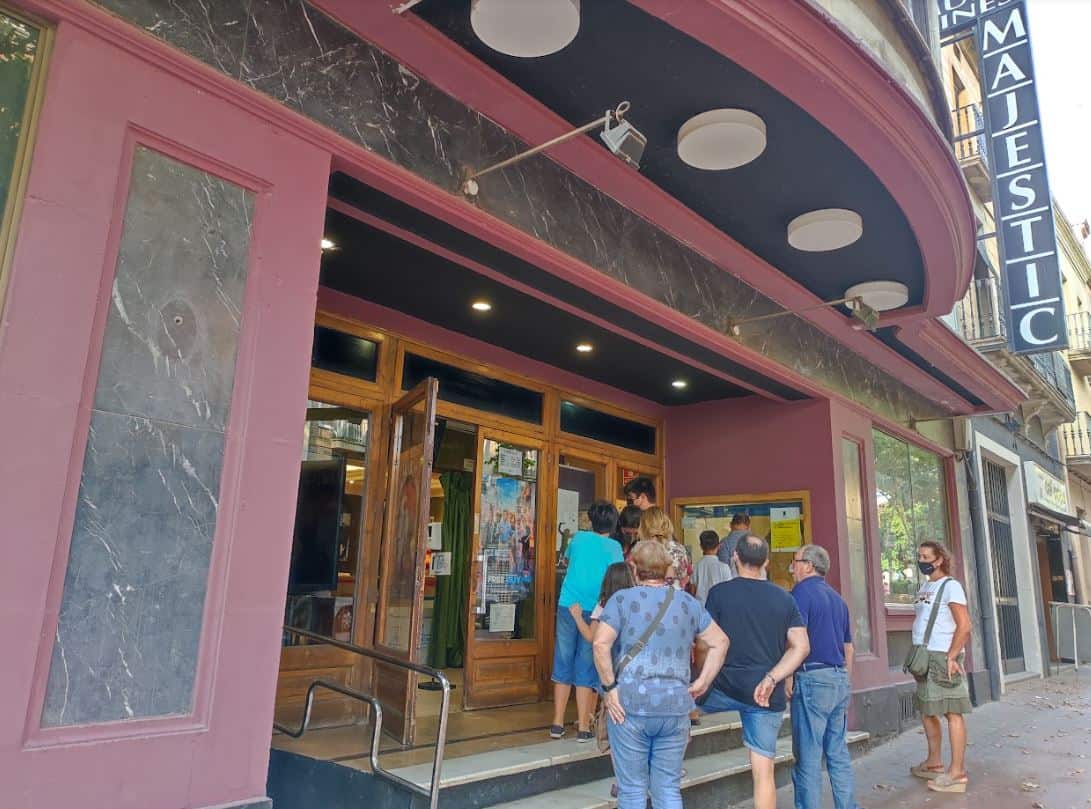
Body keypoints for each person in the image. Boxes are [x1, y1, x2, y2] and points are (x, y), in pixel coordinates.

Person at [593, 538, 729, 809]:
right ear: (667, 568)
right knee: (667, 789)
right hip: (675, 705)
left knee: (632, 790)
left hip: (629, 705)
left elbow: (599, 644)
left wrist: (610, 689)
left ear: (634, 567)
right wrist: (702, 681)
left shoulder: (622, 600)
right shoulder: (688, 603)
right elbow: (720, 641)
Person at [701, 534, 810, 809]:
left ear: (735, 557)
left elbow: (705, 643)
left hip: (721, 686)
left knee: (678, 710)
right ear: (767, 562)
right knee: (763, 773)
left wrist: (701, 678)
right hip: (765, 692)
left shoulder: (719, 594)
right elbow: (801, 647)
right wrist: (774, 677)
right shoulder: (784, 598)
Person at [787, 544, 856, 809]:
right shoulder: (838, 599)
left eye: (795, 562)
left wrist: (788, 676)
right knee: (838, 753)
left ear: (808, 565)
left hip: (813, 677)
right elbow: (849, 648)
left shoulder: (800, 593)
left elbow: (796, 639)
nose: (792, 568)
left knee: (808, 757)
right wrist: (846, 682)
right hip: (839, 677)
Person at [552, 500, 624, 741]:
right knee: (585, 663)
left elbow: (566, 561)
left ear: (592, 520)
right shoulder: (615, 547)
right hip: (595, 608)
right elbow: (616, 576)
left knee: (563, 659)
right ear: (613, 524)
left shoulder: (579, 539)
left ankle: (557, 723)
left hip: (568, 603)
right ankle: (584, 727)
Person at [910, 540, 972, 794]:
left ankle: (957, 773)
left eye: (925, 557)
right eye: (919, 556)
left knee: (951, 712)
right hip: (924, 655)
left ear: (939, 560)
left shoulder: (951, 586)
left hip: (943, 656)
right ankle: (934, 762)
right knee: (928, 709)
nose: (921, 561)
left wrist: (952, 656)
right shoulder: (926, 586)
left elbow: (964, 625)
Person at [568, 562, 635, 642]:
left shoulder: (604, 604)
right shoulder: (639, 602)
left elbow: (591, 637)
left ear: (608, 580)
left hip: (608, 649)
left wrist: (577, 617)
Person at [631, 507, 692, 592]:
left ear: (643, 527)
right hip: (674, 597)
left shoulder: (640, 550)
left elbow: (632, 578)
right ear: (666, 524)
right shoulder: (679, 549)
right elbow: (686, 577)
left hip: (645, 596)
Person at [693, 529, 733, 604]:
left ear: (701, 546)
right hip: (718, 606)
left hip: (700, 606)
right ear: (719, 546)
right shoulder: (724, 567)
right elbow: (729, 591)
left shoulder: (696, 566)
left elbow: (693, 590)